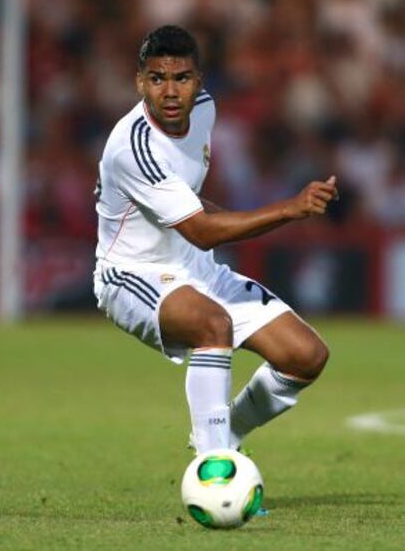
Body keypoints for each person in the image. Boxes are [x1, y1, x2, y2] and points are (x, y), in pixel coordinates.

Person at [93, 25, 338, 455]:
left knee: (305, 355)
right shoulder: (132, 147)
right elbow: (202, 231)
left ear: (199, 82)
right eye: (157, 78)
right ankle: (215, 468)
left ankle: (226, 435)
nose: (170, 91)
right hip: (132, 274)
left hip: (194, 267)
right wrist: (290, 209)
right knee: (213, 326)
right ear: (139, 82)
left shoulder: (204, 110)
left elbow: (191, 204)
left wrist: (270, 215)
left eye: (181, 78)